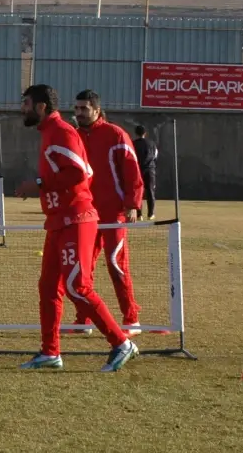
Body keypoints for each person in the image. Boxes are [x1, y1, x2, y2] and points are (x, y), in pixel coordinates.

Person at [15, 84, 139, 373]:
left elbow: (82, 172)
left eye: (26, 103)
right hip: (59, 221)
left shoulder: (62, 132)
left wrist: (39, 185)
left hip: (77, 219)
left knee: (78, 285)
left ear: (42, 106)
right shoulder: (50, 132)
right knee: (48, 287)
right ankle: (50, 352)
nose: (22, 108)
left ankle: (121, 342)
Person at [72, 90, 144, 334]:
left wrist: (133, 204)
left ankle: (131, 319)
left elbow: (132, 169)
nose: (78, 113)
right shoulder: (74, 137)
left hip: (113, 214)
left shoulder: (115, 135)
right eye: (76, 109)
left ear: (96, 110)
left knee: (116, 264)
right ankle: (83, 320)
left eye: (83, 109)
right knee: (82, 269)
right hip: (85, 214)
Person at [133, 125, 158, 220]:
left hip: (138, 170)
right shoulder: (152, 143)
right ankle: (151, 214)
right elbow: (155, 156)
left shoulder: (133, 144)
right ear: (145, 133)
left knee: (138, 191)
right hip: (150, 170)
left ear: (136, 133)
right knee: (150, 191)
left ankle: (139, 214)